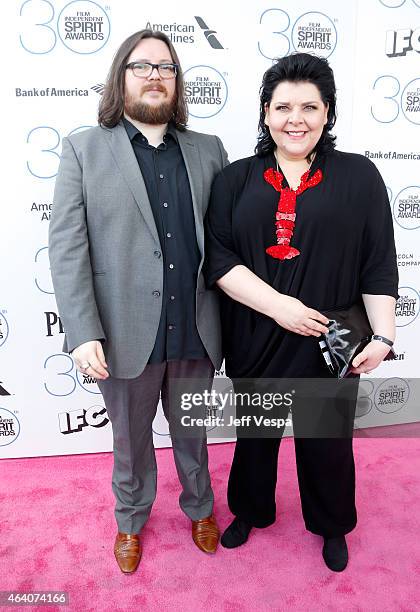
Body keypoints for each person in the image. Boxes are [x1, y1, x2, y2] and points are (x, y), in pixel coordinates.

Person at [204, 53, 398, 572]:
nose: (297, 119)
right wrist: (280, 308)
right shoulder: (234, 180)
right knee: (255, 439)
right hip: (255, 331)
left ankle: (332, 526)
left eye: (310, 107)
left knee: (327, 444)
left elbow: (378, 262)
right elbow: (219, 260)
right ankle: (249, 511)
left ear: (328, 112)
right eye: (283, 106)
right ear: (265, 113)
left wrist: (382, 336)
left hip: (330, 339)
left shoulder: (360, 176)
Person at [49, 29, 228, 574]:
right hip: (125, 330)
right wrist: (82, 331)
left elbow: (225, 241)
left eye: (166, 67)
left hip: (196, 326)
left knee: (192, 431)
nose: (155, 75)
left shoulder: (208, 150)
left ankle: (200, 508)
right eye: (141, 66)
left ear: (176, 82)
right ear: (120, 77)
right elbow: (67, 245)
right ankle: (130, 519)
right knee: (129, 439)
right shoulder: (84, 147)